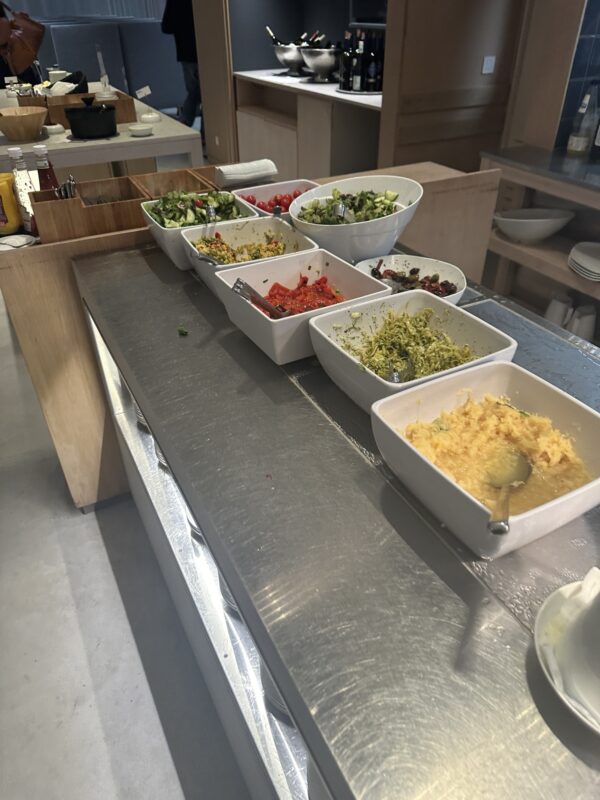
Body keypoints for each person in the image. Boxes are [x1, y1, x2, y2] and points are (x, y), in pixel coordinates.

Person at [162, 0, 201, 128]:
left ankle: (184, 124)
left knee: (194, 91)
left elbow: (166, 27)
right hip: (206, 51)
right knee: (205, 93)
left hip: (185, 53)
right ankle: (206, 134)